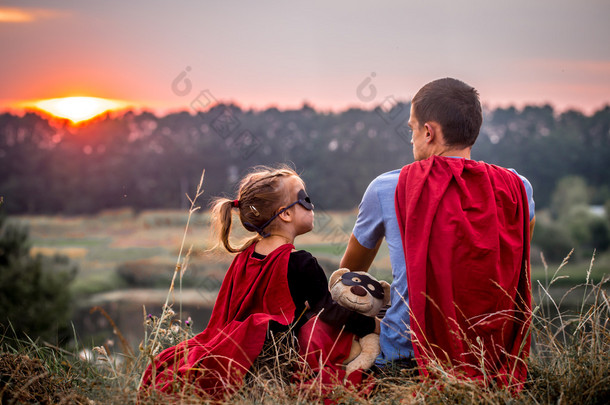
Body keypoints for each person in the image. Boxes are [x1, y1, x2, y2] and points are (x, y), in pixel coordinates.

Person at [341, 78, 535, 387]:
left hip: (407, 357)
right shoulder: (519, 189)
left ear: (429, 132)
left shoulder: (387, 188)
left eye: (412, 129)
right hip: (494, 360)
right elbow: (517, 263)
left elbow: (348, 275)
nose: (412, 138)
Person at [140, 165, 380, 399]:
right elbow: (329, 312)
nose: (312, 205)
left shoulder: (245, 256)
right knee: (350, 345)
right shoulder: (301, 263)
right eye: (305, 199)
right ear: (285, 213)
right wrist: (373, 325)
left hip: (246, 357)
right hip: (284, 358)